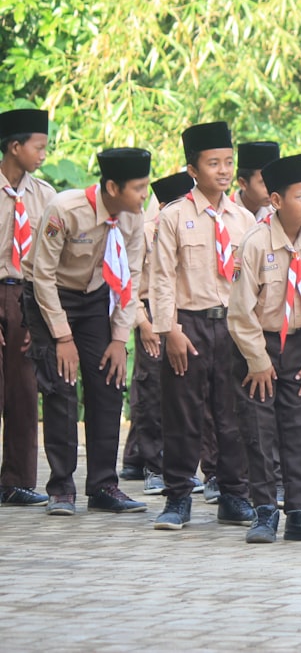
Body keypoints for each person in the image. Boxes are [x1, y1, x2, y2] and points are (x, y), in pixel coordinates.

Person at [22, 147, 149, 515]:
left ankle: (104, 486)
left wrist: (118, 339)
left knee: (108, 382)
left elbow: (131, 279)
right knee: (61, 387)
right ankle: (61, 488)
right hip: (50, 296)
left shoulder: (133, 217)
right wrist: (62, 337)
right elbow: (42, 276)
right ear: (112, 186)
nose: (144, 196)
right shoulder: (65, 209)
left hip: (95, 297)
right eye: (138, 188)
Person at [151, 121, 255, 530]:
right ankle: (178, 498)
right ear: (193, 169)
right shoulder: (174, 216)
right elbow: (161, 278)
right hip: (188, 326)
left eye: (228, 162)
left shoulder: (243, 219)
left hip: (231, 327)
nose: (224, 171)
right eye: (214, 163)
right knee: (183, 413)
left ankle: (234, 494)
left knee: (232, 416)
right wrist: (169, 329)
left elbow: (250, 283)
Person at [228, 153, 301, 544]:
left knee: (297, 428)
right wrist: (257, 361)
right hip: (259, 346)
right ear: (275, 200)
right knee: (259, 430)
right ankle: (265, 509)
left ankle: (300, 510)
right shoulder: (254, 244)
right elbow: (240, 311)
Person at [121, 171, 194, 497]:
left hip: (182, 316)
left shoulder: (194, 228)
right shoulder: (147, 232)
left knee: (182, 394)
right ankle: (153, 466)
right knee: (150, 394)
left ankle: (180, 465)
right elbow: (130, 284)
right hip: (151, 316)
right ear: (162, 205)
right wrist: (143, 323)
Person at [0, 107, 53, 506]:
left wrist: (38, 316)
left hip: (25, 295)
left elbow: (49, 258)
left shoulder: (45, 195)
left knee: (23, 387)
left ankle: (16, 480)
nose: (43, 155)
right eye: (38, 147)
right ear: (14, 147)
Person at [232, 141, 280, 223]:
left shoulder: (277, 214)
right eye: (264, 183)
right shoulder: (225, 214)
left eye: (275, 181)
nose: (272, 190)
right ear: (243, 183)